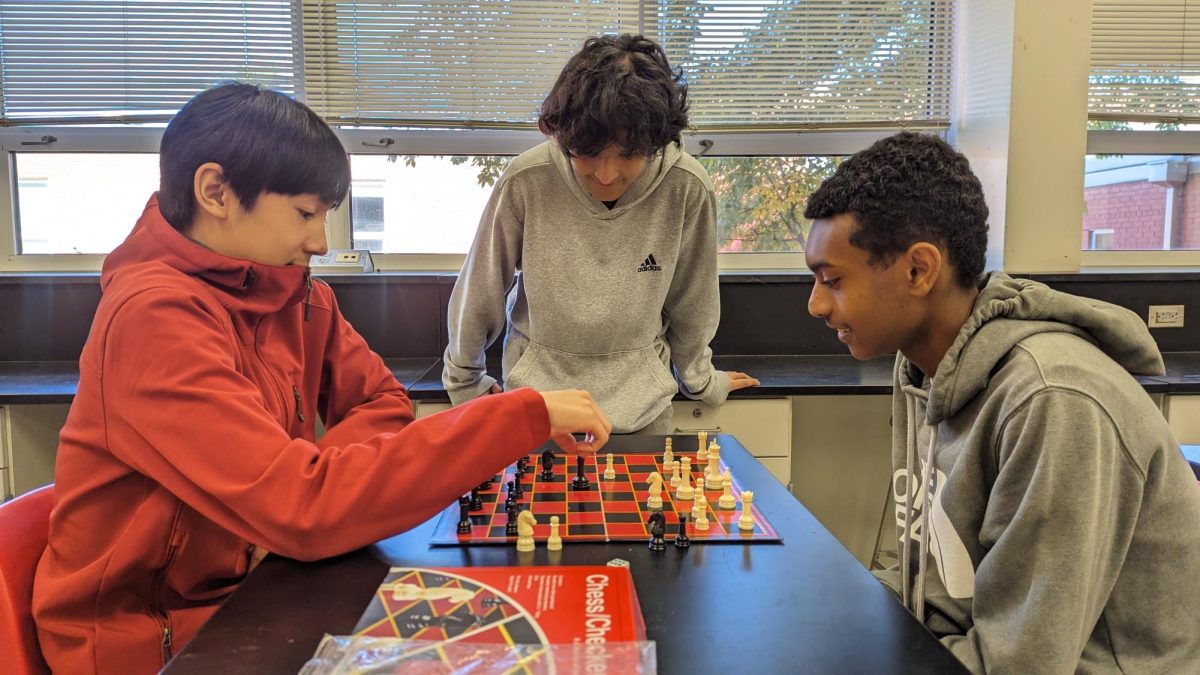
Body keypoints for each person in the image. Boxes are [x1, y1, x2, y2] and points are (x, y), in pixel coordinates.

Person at [32, 83, 612, 675]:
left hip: (253, 589)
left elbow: (381, 405)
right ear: (215, 192)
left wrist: (286, 503)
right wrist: (518, 414)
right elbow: (305, 511)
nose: (321, 241)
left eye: (326, 215)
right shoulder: (152, 320)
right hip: (149, 642)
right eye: (305, 213)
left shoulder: (299, 294)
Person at [803, 131, 1200, 673]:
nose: (816, 304)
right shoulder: (922, 367)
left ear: (919, 270)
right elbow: (932, 582)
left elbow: (1022, 662)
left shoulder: (1055, 401)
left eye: (833, 280)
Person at [442, 34, 758, 434]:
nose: (606, 175)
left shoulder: (686, 187)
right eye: (588, 153)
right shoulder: (526, 180)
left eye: (629, 155)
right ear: (562, 137)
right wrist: (466, 382)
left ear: (656, 143)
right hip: (539, 410)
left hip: (643, 412)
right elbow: (482, 285)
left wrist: (701, 380)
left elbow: (693, 298)